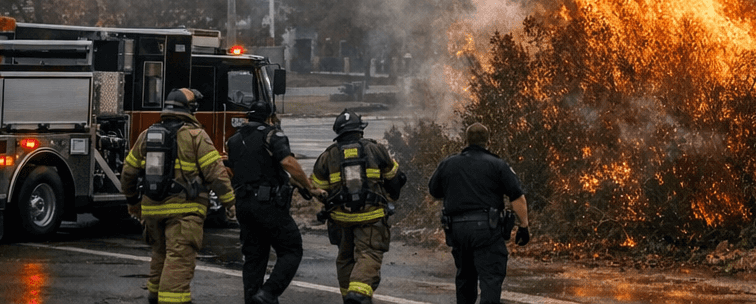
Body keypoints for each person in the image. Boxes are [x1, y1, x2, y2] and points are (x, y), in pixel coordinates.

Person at [121, 87, 237, 304]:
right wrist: (230, 202)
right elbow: (216, 174)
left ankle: (154, 296)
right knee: (179, 259)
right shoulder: (196, 136)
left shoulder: (147, 135)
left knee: (160, 254)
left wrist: (132, 201)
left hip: (152, 209)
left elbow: (128, 172)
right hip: (185, 212)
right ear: (190, 110)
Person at [428, 123, 531, 304]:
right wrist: (524, 226)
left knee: (465, 278)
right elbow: (517, 198)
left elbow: (433, 193)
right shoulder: (497, 165)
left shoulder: (448, 164)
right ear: (488, 142)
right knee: (490, 277)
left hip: (457, 231)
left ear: (465, 141)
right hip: (486, 231)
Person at [311, 110, 406, 304]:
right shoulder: (375, 149)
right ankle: (358, 294)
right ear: (360, 130)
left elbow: (317, 190)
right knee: (369, 253)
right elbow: (395, 178)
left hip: (340, 219)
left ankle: (349, 297)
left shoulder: (327, 156)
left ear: (338, 132)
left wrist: (331, 207)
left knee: (345, 258)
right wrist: (391, 199)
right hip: (371, 217)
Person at [226, 101, 316, 304]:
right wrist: (309, 187)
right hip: (268, 206)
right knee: (291, 249)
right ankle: (268, 293)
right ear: (269, 117)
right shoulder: (272, 135)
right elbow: (288, 162)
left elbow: (231, 170)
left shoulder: (233, 140)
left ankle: (253, 299)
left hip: (244, 205)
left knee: (254, 257)